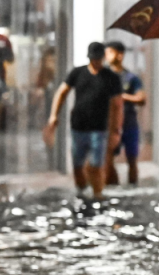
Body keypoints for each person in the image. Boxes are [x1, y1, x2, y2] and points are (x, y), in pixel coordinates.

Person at [44, 42, 122, 200]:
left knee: (96, 165)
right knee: (77, 165)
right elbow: (62, 92)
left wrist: (115, 130)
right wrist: (54, 115)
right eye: (94, 59)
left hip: (99, 128)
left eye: (99, 59)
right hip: (78, 126)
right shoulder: (78, 73)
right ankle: (81, 191)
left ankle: (97, 195)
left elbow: (117, 105)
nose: (97, 62)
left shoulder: (111, 78)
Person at [104, 41, 146, 186]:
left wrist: (122, 97)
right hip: (110, 124)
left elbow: (141, 98)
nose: (107, 55)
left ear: (120, 55)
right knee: (107, 159)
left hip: (129, 123)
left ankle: (133, 189)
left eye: (110, 52)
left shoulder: (131, 78)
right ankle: (113, 188)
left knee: (132, 160)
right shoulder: (104, 77)